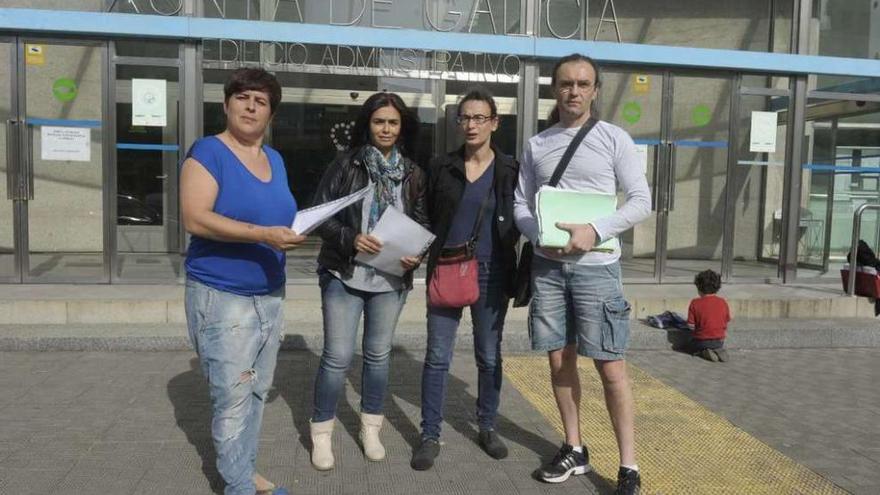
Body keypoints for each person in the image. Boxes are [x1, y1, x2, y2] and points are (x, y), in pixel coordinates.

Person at [513, 53, 651, 495]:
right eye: (566, 84)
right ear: (555, 89)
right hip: (550, 268)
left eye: (583, 83)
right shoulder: (538, 145)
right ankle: (574, 447)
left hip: (597, 270)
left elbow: (641, 200)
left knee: (611, 367)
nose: (574, 91)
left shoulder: (615, 139)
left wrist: (595, 230)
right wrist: (539, 234)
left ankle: (628, 465)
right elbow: (520, 203)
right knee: (559, 360)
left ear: (595, 89)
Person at [180, 68, 303, 495]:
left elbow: (276, 215)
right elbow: (195, 217)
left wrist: (290, 231)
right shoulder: (208, 152)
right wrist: (264, 235)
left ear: (271, 113)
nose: (252, 106)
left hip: (268, 292)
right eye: (244, 97)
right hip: (222, 293)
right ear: (228, 103)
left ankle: (244, 472)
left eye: (262, 101)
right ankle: (238, 488)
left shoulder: (275, 159)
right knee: (232, 401)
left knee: (255, 394)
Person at [309, 91, 428, 470]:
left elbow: (423, 224)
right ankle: (322, 434)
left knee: (377, 358)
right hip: (344, 275)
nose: (386, 129)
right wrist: (351, 238)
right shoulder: (346, 164)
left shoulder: (413, 172)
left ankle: (370, 428)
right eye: (379, 122)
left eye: (393, 122)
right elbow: (321, 217)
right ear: (368, 124)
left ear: (402, 126)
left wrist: (418, 254)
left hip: (390, 280)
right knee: (337, 357)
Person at [410, 88, 520, 471]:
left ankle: (487, 426)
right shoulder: (441, 166)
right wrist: (415, 250)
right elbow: (424, 215)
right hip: (447, 267)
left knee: (488, 355)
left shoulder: (509, 169)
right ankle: (429, 434)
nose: (471, 125)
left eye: (479, 118)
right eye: (465, 118)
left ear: (494, 122)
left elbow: (521, 218)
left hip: (492, 273)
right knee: (437, 356)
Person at [685, 269, 731, 362]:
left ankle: (703, 352)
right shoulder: (723, 302)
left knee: (689, 344)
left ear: (699, 287)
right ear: (717, 287)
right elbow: (726, 320)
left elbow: (691, 325)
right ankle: (718, 350)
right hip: (719, 341)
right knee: (715, 343)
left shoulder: (695, 303)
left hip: (701, 341)